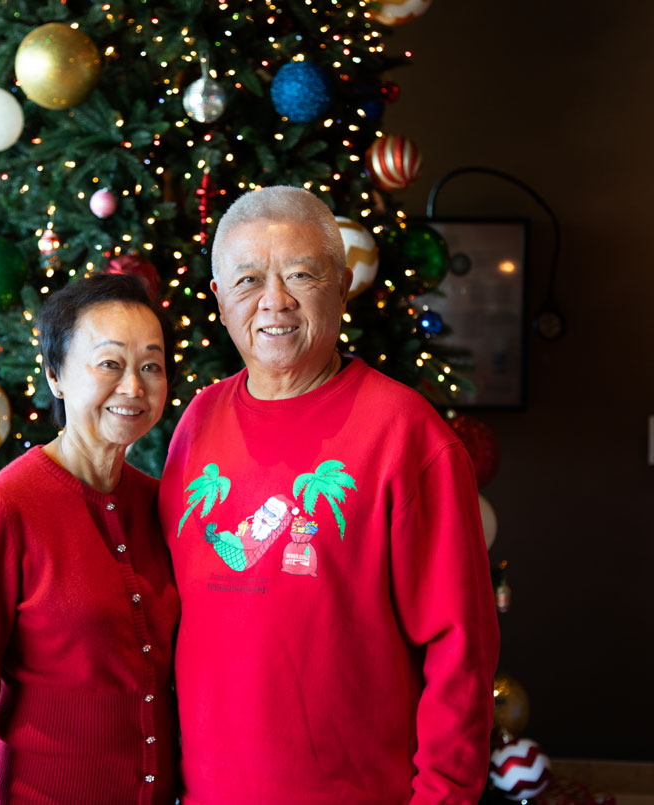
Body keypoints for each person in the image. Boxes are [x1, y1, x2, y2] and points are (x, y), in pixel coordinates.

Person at [159, 186, 500, 804]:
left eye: (300, 274)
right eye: (248, 281)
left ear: (342, 285)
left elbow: (461, 650)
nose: (274, 302)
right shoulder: (196, 422)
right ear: (218, 300)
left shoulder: (408, 435)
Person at [0, 273, 180, 805]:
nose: (134, 387)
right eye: (110, 364)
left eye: (151, 366)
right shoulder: (0, 511)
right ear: (56, 376)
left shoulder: (161, 502)